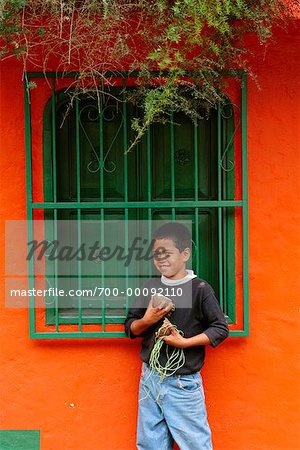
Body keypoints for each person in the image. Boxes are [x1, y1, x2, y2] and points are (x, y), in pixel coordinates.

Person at [124, 222, 229, 450]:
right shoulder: (150, 287)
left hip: (182, 381)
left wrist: (185, 342)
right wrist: (147, 321)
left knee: (195, 444)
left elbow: (220, 328)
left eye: (167, 253)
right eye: (156, 255)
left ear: (185, 254)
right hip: (150, 377)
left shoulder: (200, 289)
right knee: (150, 443)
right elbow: (130, 327)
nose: (161, 259)